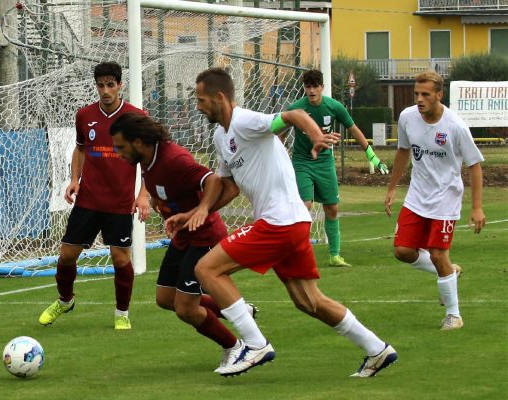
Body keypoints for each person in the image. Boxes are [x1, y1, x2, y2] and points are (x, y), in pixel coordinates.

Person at [169, 67, 397, 378]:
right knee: (309, 301)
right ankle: (377, 349)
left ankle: (254, 343)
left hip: (280, 222)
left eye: (201, 99)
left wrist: (316, 135)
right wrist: (199, 211)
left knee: (206, 269)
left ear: (219, 97)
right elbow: (227, 184)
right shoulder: (221, 135)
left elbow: (292, 116)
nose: (198, 105)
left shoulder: (246, 121)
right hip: (291, 223)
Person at [108, 112, 257, 366]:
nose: (118, 153)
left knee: (186, 308)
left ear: (139, 142)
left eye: (121, 147)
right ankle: (239, 310)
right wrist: (157, 200)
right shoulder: (146, 159)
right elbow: (162, 185)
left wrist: (201, 210)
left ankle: (235, 347)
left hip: (205, 236)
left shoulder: (174, 159)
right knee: (165, 299)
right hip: (184, 236)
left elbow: (212, 181)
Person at [38, 62, 150, 330]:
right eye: (101, 85)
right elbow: (80, 150)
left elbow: (148, 159)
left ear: (120, 85)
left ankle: (122, 313)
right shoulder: (84, 115)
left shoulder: (136, 118)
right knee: (66, 255)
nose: (105, 91)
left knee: (121, 258)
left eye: (111, 85)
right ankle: (65, 301)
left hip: (120, 203)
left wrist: (143, 194)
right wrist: (74, 180)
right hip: (88, 200)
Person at [385, 71, 485, 331]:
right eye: (416, 94)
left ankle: (454, 315)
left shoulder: (455, 126)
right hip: (417, 197)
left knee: (439, 254)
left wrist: (476, 207)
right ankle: (450, 271)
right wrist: (392, 188)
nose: (419, 99)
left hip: (446, 199)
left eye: (425, 94)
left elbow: (474, 165)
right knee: (402, 251)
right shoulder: (407, 117)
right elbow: (403, 151)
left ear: (439, 95)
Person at [283, 69, 389, 267]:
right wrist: (278, 156)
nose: (312, 91)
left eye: (315, 86)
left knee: (332, 208)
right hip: (302, 163)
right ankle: (297, 253)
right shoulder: (296, 109)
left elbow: (354, 129)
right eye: (308, 87)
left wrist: (371, 156)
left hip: (325, 163)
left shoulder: (334, 107)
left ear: (322, 87)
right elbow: (280, 129)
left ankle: (334, 255)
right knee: (304, 206)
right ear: (304, 88)